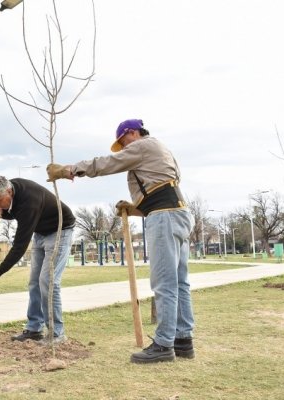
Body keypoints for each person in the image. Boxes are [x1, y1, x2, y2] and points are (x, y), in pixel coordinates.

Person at [46, 119, 195, 364]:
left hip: (165, 217)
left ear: (132, 133)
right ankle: (183, 340)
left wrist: (70, 170)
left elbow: (107, 163)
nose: (124, 149)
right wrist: (137, 209)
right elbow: (160, 189)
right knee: (179, 282)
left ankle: (164, 345)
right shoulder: (159, 149)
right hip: (176, 213)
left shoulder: (143, 146)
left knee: (165, 283)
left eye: (123, 142)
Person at [0, 175, 75, 344]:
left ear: (9, 191)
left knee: (48, 281)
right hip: (41, 231)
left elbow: (19, 247)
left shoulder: (29, 200)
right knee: (34, 282)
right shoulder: (14, 190)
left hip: (60, 230)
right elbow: (16, 211)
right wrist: (3, 213)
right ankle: (34, 328)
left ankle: (57, 333)